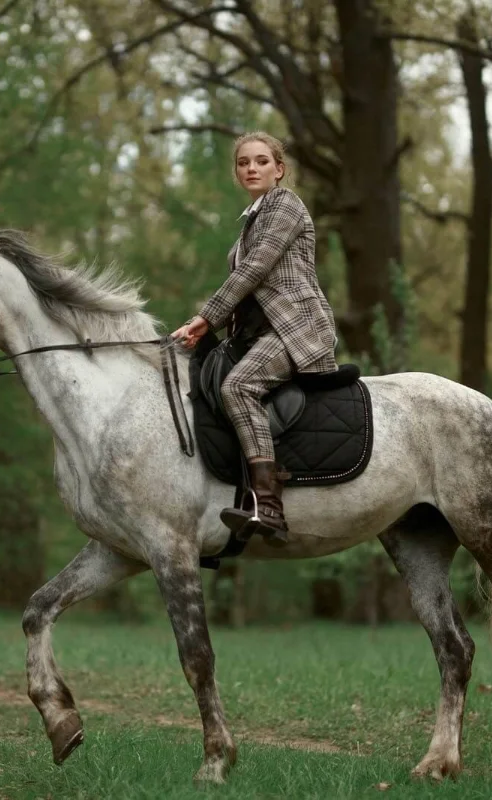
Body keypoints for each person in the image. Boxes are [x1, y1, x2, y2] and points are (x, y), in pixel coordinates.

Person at [172, 131, 338, 545]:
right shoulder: (249, 223)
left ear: (279, 170)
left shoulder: (286, 205)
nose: (252, 168)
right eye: (244, 162)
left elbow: (255, 270)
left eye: (262, 161)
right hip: (261, 333)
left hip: (297, 327)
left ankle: (269, 508)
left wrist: (205, 318)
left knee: (239, 386)